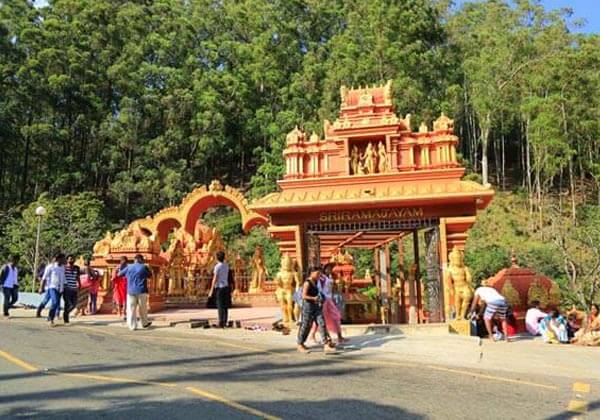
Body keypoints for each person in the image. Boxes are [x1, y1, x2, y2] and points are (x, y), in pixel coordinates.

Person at [297, 266, 336, 354]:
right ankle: (300, 344)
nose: (319, 275)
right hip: (308, 307)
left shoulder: (316, 282)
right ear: (312, 273)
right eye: (317, 273)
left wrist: (321, 298)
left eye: (320, 273)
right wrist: (314, 298)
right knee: (306, 325)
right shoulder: (307, 282)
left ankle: (326, 344)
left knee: (321, 323)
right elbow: (304, 296)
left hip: (316, 306)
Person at [309, 263, 346, 344]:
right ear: (324, 269)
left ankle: (339, 336)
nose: (329, 270)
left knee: (336, 316)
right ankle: (312, 335)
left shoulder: (328, 277)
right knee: (319, 318)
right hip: (323, 300)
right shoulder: (321, 278)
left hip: (329, 300)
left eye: (330, 268)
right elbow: (319, 288)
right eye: (328, 268)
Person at [118, 254, 152, 331]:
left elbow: (119, 274)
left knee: (131, 309)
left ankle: (132, 326)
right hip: (141, 290)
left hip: (130, 291)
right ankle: (144, 323)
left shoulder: (129, 267)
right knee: (142, 308)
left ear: (135, 259)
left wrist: (121, 267)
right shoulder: (144, 267)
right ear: (140, 259)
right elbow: (150, 275)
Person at [42, 253, 66, 327]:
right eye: (63, 259)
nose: (64, 260)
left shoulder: (62, 268)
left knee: (56, 304)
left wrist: (64, 286)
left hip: (60, 288)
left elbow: (63, 278)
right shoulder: (51, 267)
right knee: (55, 302)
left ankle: (51, 317)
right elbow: (44, 277)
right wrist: (41, 287)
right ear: (59, 259)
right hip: (52, 287)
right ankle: (51, 318)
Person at [208, 251, 231, 328]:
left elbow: (215, 278)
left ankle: (221, 322)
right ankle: (225, 321)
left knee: (220, 305)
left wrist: (211, 289)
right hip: (226, 287)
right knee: (225, 305)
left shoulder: (217, 266)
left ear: (217, 258)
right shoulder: (226, 265)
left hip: (219, 287)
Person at [62, 255, 81, 324]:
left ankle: (66, 313)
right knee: (67, 304)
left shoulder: (76, 268)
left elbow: (78, 277)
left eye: (72, 259)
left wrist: (79, 284)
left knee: (74, 304)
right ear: (67, 260)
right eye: (70, 259)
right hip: (66, 289)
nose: (71, 260)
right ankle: (66, 319)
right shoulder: (64, 268)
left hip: (74, 288)